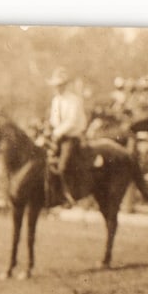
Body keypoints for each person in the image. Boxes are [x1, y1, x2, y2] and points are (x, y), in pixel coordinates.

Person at [47, 66, 89, 207]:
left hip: (71, 137)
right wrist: (51, 130)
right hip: (58, 136)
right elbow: (54, 119)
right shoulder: (55, 101)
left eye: (60, 85)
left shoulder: (73, 101)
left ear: (65, 85)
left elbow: (71, 121)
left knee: (63, 165)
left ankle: (68, 195)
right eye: (56, 86)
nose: (58, 88)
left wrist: (57, 133)